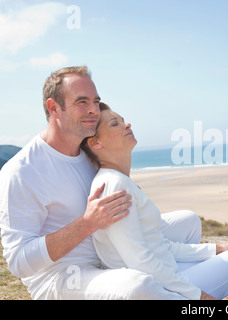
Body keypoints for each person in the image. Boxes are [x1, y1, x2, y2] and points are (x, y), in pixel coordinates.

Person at [0, 66, 205, 299]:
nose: (94, 110)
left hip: (109, 250)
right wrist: (87, 223)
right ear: (54, 108)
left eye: (96, 101)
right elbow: (18, 262)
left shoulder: (89, 152)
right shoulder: (21, 172)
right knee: (136, 287)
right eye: (82, 102)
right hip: (66, 275)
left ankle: (179, 285)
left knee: (189, 223)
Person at [81, 104, 228, 300]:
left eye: (123, 120)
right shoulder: (114, 186)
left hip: (166, 273)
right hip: (160, 289)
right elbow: (140, 262)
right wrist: (199, 296)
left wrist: (216, 248)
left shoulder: (119, 181)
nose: (127, 124)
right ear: (96, 143)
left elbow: (161, 246)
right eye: (115, 123)